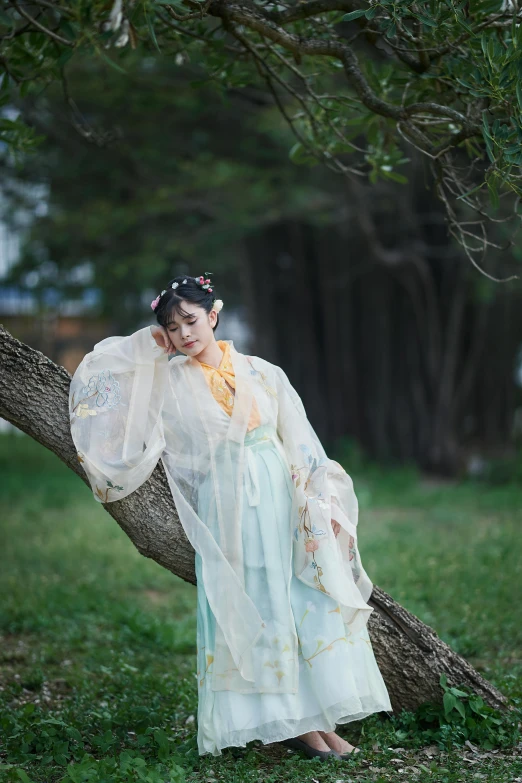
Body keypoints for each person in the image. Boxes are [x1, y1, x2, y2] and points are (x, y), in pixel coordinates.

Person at [69, 273, 392, 760]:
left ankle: (317, 717)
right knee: (256, 603)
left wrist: (319, 501)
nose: (185, 335)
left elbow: (301, 439)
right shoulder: (170, 381)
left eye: (191, 321)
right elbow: (112, 385)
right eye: (172, 328)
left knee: (296, 600)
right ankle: (290, 724)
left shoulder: (264, 372)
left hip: (282, 497)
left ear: (213, 315)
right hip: (228, 506)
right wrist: (147, 346)